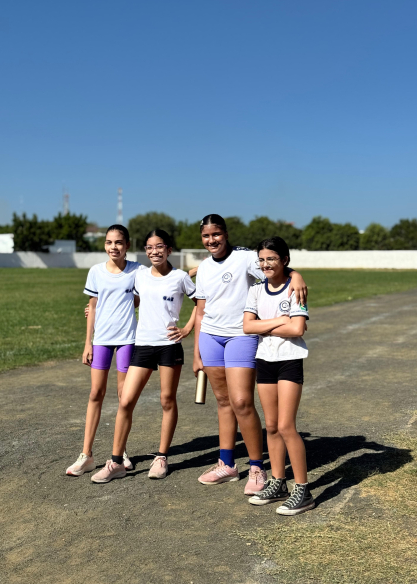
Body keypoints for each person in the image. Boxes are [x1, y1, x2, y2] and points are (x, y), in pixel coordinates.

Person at [193, 214, 308, 496]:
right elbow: (200, 312)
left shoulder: (245, 258)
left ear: (226, 233)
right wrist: (197, 351)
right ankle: (227, 464)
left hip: (241, 336)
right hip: (210, 337)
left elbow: (274, 268)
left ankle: (257, 467)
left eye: (216, 234)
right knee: (223, 401)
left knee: (242, 402)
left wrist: (296, 275)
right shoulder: (204, 268)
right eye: (206, 236)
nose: (212, 240)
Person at [90, 229, 197, 483]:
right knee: (126, 401)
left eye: (159, 247)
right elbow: (127, 296)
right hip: (143, 345)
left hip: (169, 345)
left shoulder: (180, 277)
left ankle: (161, 457)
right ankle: (116, 462)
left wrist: (187, 329)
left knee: (167, 400)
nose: (154, 251)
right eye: (150, 247)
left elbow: (200, 303)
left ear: (169, 249)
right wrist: (95, 308)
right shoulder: (139, 275)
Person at [244, 236, 315, 515]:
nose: (265, 264)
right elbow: (247, 327)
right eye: (261, 260)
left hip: (289, 361)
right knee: (271, 426)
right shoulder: (256, 290)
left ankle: (303, 490)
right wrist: (277, 322)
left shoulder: (294, 288)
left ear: (284, 260)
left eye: (271, 259)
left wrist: (263, 325)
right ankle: (278, 482)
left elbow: (297, 329)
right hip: (265, 360)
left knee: (286, 426)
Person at [66, 224, 143, 476]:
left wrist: (197, 270)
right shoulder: (96, 271)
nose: (114, 247)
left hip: (127, 339)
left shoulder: (137, 270)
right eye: (109, 242)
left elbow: (153, 288)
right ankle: (86, 455)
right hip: (101, 340)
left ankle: (120, 452)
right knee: (95, 393)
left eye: (119, 242)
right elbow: (93, 305)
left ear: (127, 245)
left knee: (124, 396)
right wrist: (87, 342)